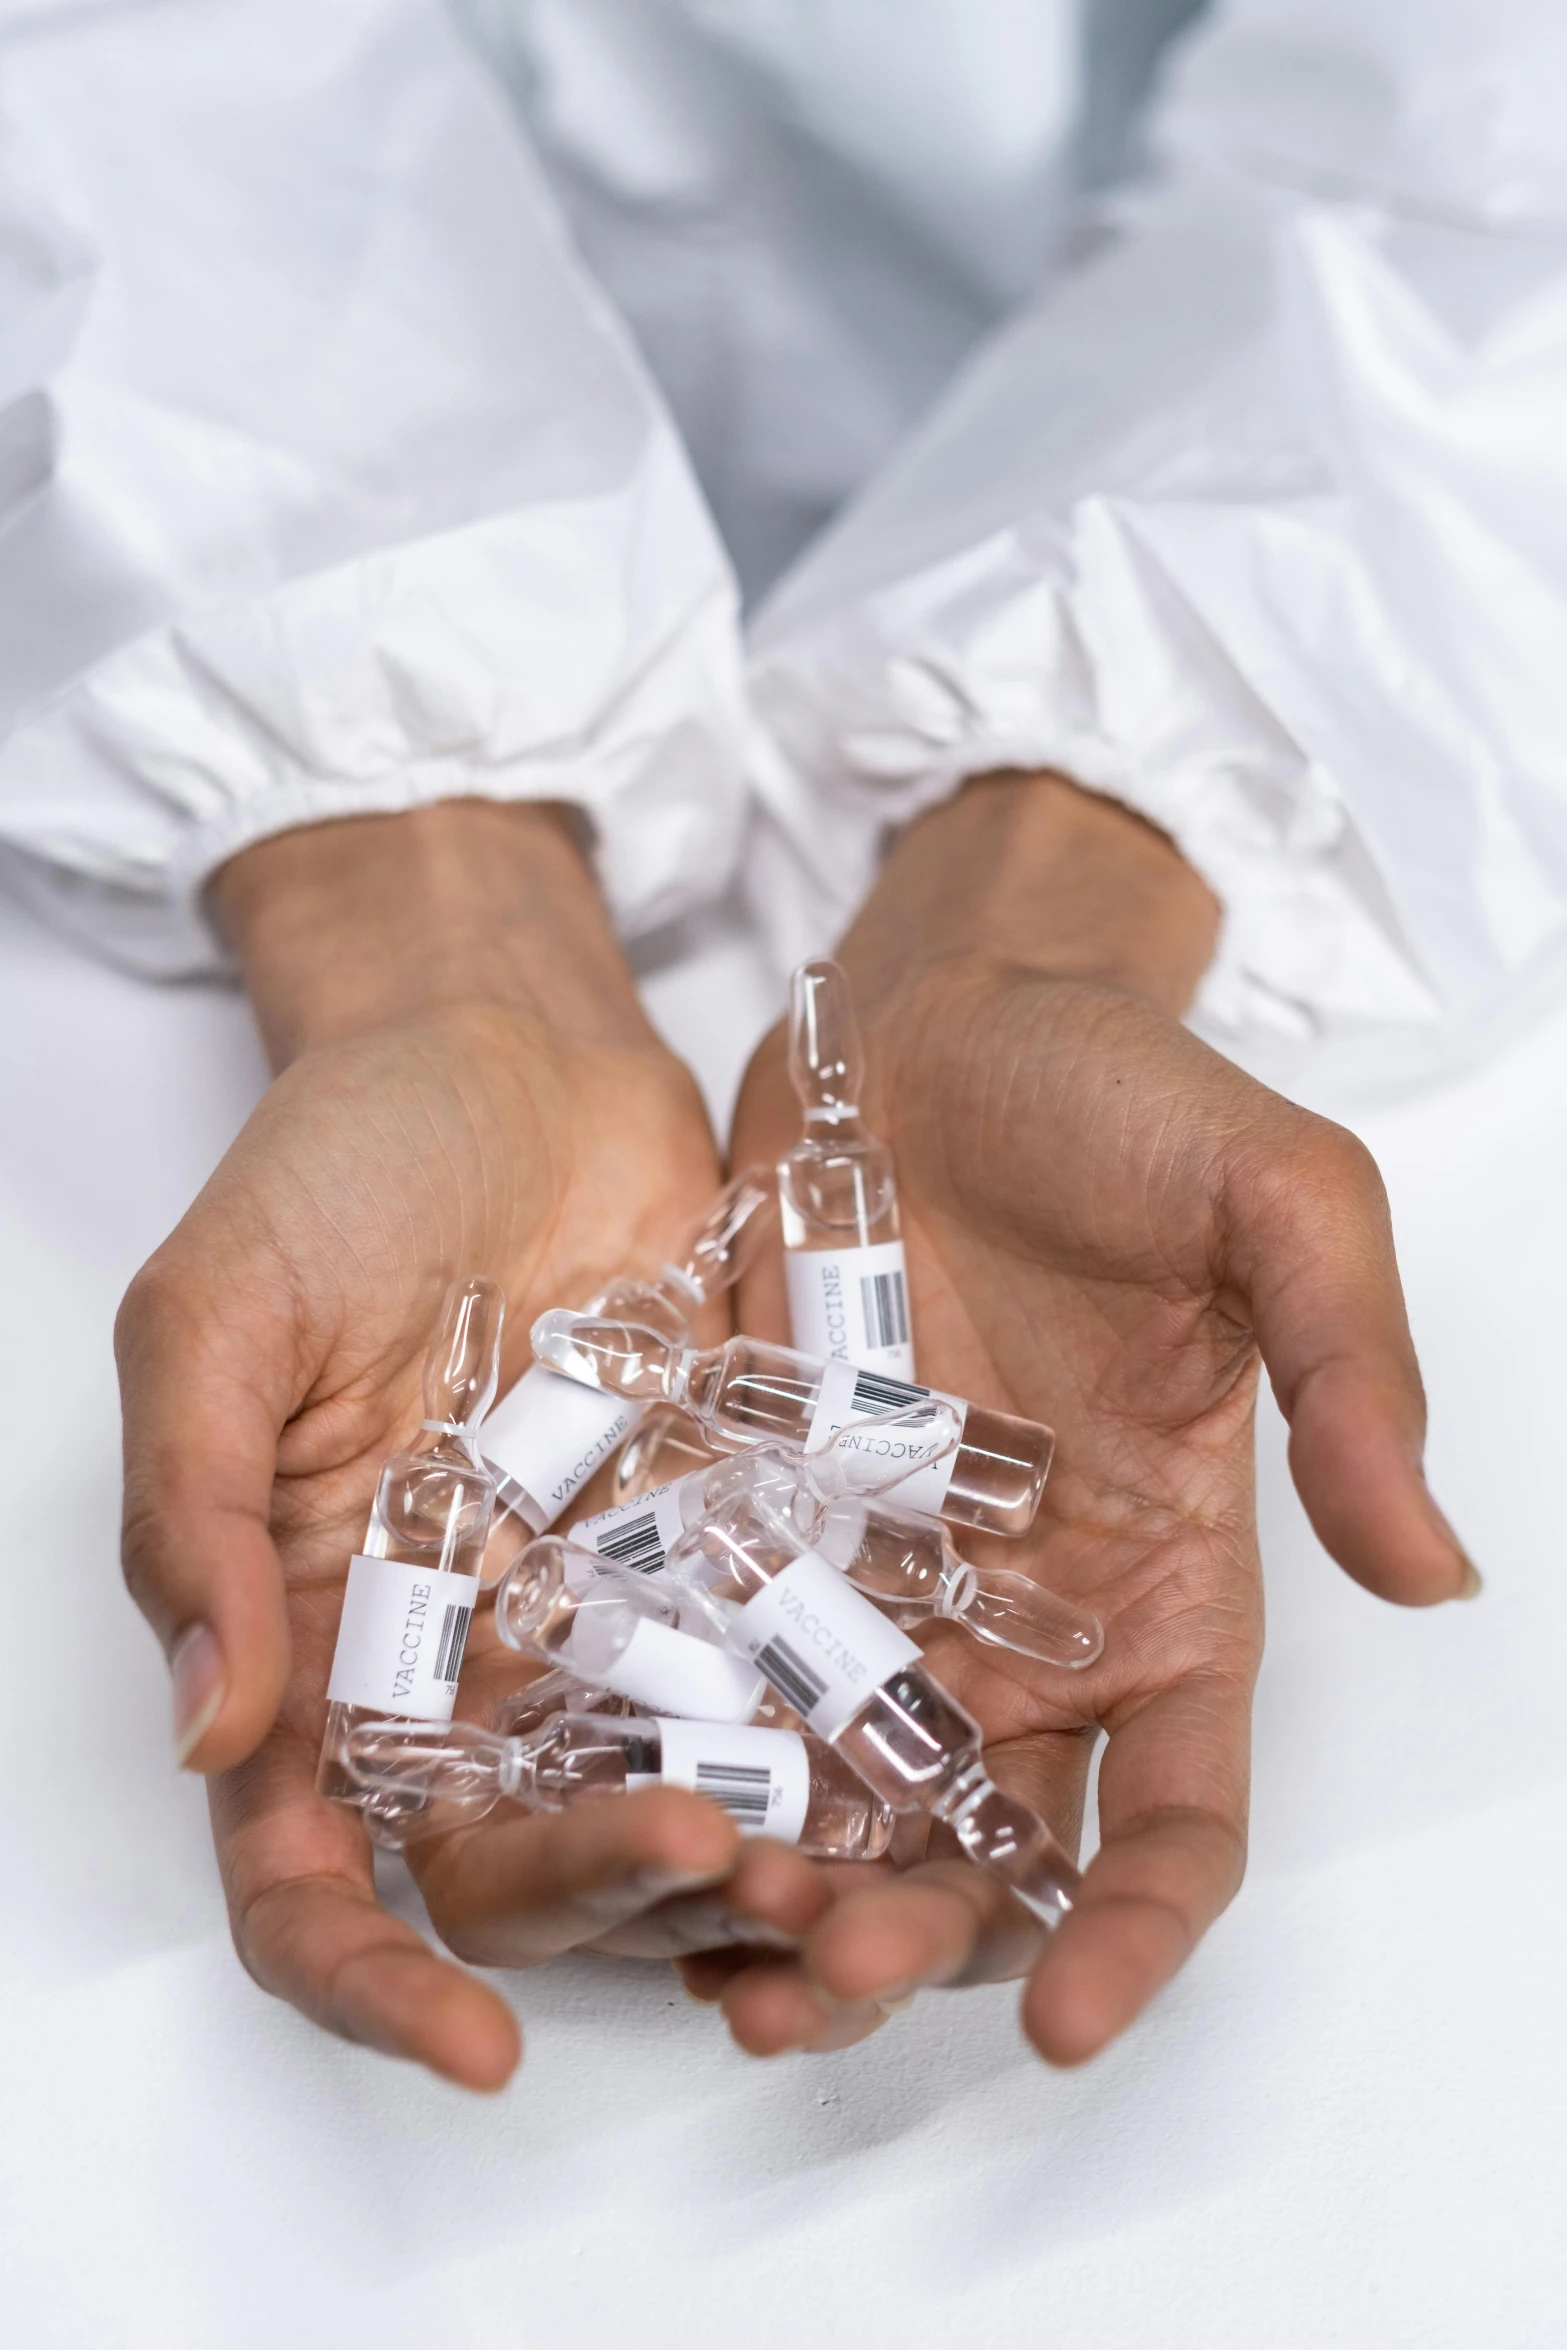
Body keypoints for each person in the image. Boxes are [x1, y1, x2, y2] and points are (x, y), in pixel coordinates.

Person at [10, 0, 1554, 2087]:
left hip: (1142, 391)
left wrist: (1075, 842)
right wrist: (411, 870)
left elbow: (1488, 141)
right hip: (195, 464)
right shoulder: (692, 1483)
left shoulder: (720, 1469)